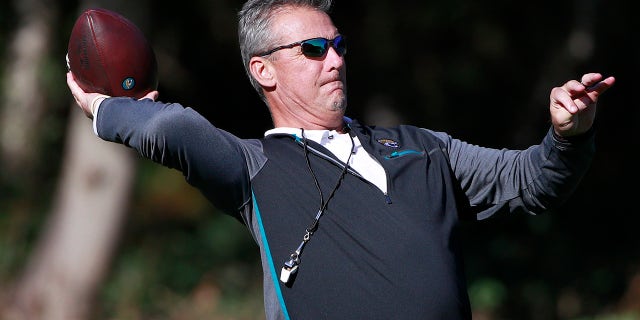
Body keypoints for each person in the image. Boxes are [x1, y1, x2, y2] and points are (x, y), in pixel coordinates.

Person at [66, 0, 615, 318]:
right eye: (312, 48)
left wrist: (568, 134)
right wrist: (104, 107)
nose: (334, 59)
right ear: (263, 71)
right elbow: (171, 127)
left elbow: (531, 182)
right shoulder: (252, 169)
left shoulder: (425, 147)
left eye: (338, 45)